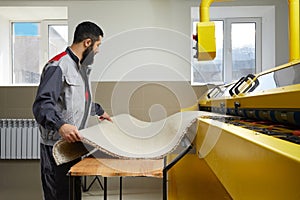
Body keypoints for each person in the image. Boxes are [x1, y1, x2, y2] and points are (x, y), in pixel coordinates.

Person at [32, 21, 112, 200]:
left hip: (73, 147)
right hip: (55, 149)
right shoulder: (58, 66)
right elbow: (42, 105)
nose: (98, 51)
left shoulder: (80, 68)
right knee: (59, 196)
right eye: (98, 45)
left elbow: (77, 101)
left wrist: (99, 111)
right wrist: (60, 125)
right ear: (87, 43)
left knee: (73, 195)